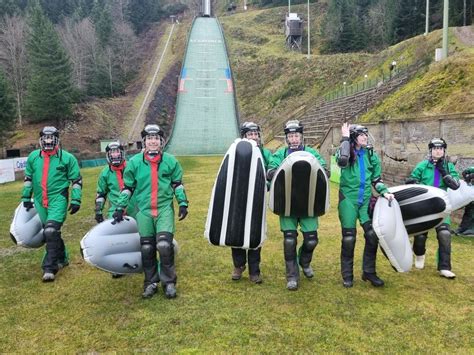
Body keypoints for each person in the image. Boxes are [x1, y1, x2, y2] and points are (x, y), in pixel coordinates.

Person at [112, 124, 188, 299]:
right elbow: (127, 187)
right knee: (147, 248)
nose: (153, 141)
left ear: (161, 141)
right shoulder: (135, 163)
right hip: (144, 210)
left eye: (156, 138)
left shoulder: (170, 161)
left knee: (163, 245)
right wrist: (119, 207)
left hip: (163, 209)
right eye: (149, 138)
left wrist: (183, 203)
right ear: (144, 142)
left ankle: (169, 282)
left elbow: (177, 184)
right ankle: (151, 282)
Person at [266, 120, 327, 291]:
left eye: (296, 135)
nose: (294, 139)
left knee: (311, 240)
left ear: (301, 136)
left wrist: (324, 170)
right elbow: (271, 170)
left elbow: (323, 168)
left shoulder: (311, 152)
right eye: (291, 136)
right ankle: (292, 276)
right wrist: (272, 172)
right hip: (287, 203)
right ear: (287, 138)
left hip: (309, 203)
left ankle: (304, 261)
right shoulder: (281, 154)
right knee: (289, 240)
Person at [336, 123, 394, 288]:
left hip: (365, 200)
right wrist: (345, 138)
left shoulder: (371, 154)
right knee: (349, 238)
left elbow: (376, 179)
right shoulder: (345, 151)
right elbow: (342, 161)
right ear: (354, 137)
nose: (365, 137)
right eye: (361, 135)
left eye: (366, 135)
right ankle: (347, 275)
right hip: (348, 200)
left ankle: (368, 272)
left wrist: (385, 192)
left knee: (372, 235)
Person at [21, 126, 82, 282]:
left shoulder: (67, 158)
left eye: (51, 137)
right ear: (41, 140)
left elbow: (76, 180)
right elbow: (28, 178)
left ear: (56, 139)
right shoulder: (33, 157)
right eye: (45, 138)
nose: (48, 141)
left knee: (50, 230)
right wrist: (26, 197)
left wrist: (76, 199)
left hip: (58, 199)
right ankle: (63, 258)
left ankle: (50, 267)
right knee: (52, 232)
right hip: (41, 201)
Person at [408, 138, 460, 278]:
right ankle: (419, 254)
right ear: (430, 151)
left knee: (444, 234)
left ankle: (444, 267)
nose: (438, 151)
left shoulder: (448, 166)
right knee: (420, 235)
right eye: (435, 148)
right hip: (424, 206)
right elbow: (411, 180)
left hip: (442, 206)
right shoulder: (423, 165)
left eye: (441, 149)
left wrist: (444, 171)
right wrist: (414, 182)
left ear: (444, 151)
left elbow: (455, 185)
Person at [231, 122, 272, 284]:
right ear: (244, 136)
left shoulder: (265, 153)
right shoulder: (235, 152)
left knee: (255, 232)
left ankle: (255, 270)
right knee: (237, 231)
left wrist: (265, 186)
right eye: (250, 134)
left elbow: (271, 173)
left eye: (256, 134)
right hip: (239, 197)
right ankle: (239, 265)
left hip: (257, 198)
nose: (254, 137)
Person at [94, 141, 137, 279]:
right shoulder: (105, 173)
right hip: (115, 209)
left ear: (122, 152)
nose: (115, 154)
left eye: (117, 151)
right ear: (108, 155)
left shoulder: (133, 166)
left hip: (135, 206)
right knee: (115, 239)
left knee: (142, 234)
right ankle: (119, 266)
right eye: (112, 152)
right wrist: (98, 211)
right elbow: (101, 193)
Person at [455, 167, 474, 236]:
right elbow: (465, 172)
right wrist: (468, 176)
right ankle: (463, 227)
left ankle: (472, 229)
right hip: (471, 192)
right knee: (468, 210)